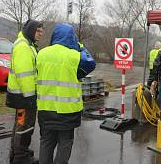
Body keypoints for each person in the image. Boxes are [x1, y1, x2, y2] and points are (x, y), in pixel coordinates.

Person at [36, 23, 96, 164]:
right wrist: (80, 46)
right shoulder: (75, 57)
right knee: (65, 143)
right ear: (71, 38)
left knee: (46, 142)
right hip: (67, 112)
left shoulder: (41, 54)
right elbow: (91, 62)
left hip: (45, 108)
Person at [6, 19, 43, 164]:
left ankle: (17, 152)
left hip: (21, 95)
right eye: (38, 31)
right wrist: (30, 98)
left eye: (41, 31)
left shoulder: (27, 44)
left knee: (21, 124)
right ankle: (21, 157)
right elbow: (25, 75)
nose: (40, 34)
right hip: (24, 96)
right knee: (24, 126)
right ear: (30, 30)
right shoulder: (23, 47)